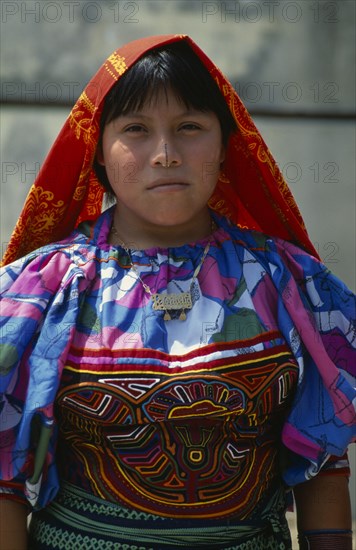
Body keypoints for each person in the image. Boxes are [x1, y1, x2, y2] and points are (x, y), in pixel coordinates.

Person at [0, 34, 354, 550]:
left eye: (189, 127)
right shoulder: (42, 289)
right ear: (96, 150)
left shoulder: (289, 283)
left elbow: (324, 456)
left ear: (225, 142)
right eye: (135, 130)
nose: (165, 154)